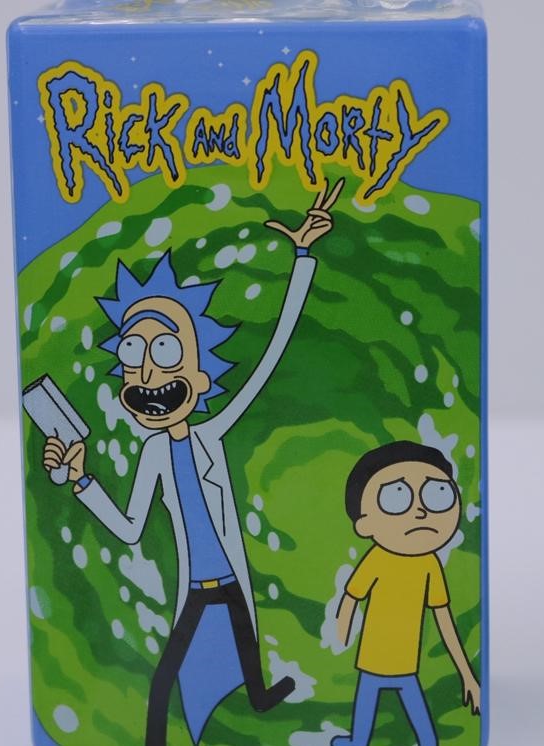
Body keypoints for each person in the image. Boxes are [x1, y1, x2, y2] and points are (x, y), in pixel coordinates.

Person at [43, 179, 345, 746]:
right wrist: (80, 479)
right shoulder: (155, 451)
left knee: (243, 650)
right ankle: (165, 733)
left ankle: (258, 694)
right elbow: (130, 528)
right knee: (166, 679)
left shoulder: (213, 432)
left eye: (165, 351)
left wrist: (304, 255)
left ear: (200, 378)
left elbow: (273, 354)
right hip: (200, 585)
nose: (148, 374)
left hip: (228, 578)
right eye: (133, 355)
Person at [333, 441, 481, 746]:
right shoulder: (377, 559)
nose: (420, 511)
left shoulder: (429, 564)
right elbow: (352, 596)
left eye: (438, 494)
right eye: (396, 496)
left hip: (405, 663)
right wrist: (342, 629)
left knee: (422, 728)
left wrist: (468, 675)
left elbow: (444, 620)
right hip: (373, 660)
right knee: (366, 722)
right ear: (364, 524)